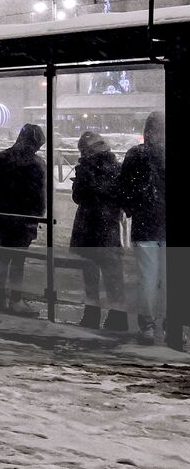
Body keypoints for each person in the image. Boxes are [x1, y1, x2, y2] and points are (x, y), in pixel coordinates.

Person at [0, 123, 47, 316]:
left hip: (6, 215)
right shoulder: (37, 163)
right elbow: (41, 194)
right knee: (18, 260)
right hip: (25, 217)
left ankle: (1, 297)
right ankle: (16, 299)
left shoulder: (4, 157)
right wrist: (38, 216)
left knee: (4, 257)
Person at [117, 112, 173, 347]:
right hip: (166, 225)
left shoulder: (135, 154)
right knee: (171, 279)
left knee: (147, 279)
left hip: (145, 225)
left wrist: (133, 207)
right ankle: (173, 325)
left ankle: (147, 325)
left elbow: (124, 189)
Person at [71, 131, 127, 331]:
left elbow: (78, 196)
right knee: (113, 276)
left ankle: (91, 315)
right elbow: (121, 196)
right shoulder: (117, 168)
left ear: (87, 150)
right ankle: (118, 317)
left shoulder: (87, 169)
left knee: (90, 276)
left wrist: (81, 176)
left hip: (88, 226)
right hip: (108, 226)